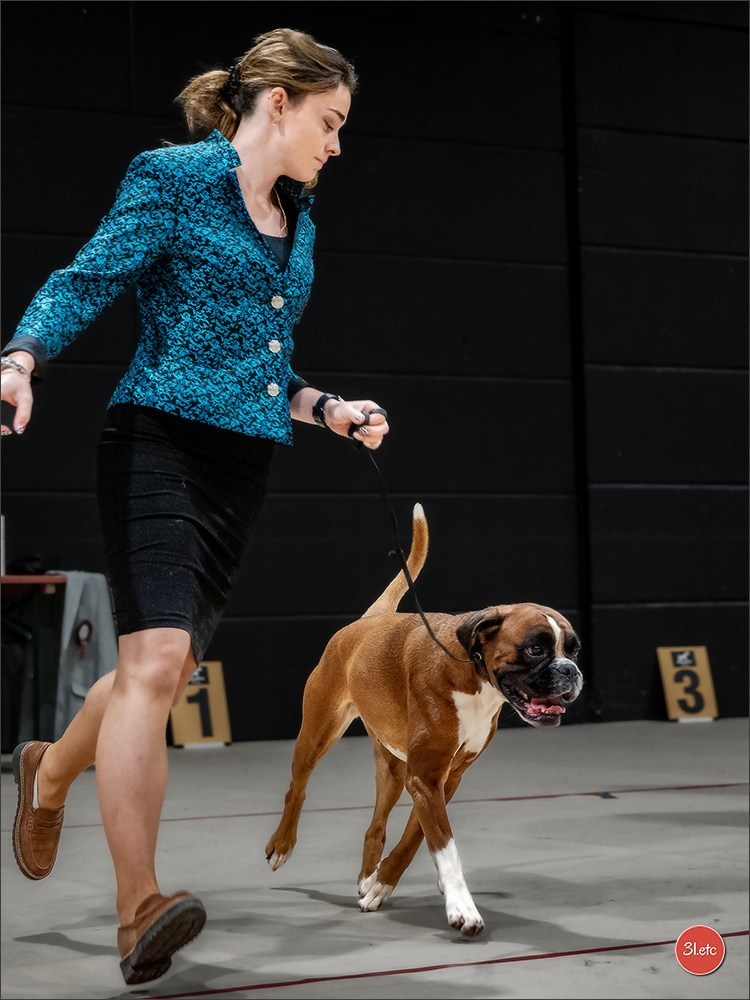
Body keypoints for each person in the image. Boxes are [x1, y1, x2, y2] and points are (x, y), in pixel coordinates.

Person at [0, 27, 388, 986]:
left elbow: (262, 364)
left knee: (158, 674)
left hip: (240, 470)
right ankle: (139, 907)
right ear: (280, 103)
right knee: (156, 661)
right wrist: (21, 356)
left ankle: (49, 771)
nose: (337, 145)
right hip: (157, 447)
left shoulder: (298, 217)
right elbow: (88, 275)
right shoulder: (174, 178)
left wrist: (328, 410)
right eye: (331, 122)